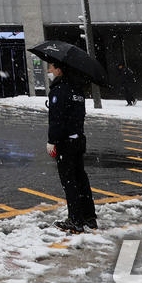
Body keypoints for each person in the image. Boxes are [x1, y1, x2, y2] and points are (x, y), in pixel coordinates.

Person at [46, 59, 97, 233]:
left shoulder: (59, 91)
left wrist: (52, 140)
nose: (49, 71)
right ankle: (89, 217)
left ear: (59, 71)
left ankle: (75, 220)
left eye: (51, 68)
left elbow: (57, 119)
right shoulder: (77, 90)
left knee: (69, 182)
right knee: (81, 179)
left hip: (65, 141)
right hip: (78, 139)